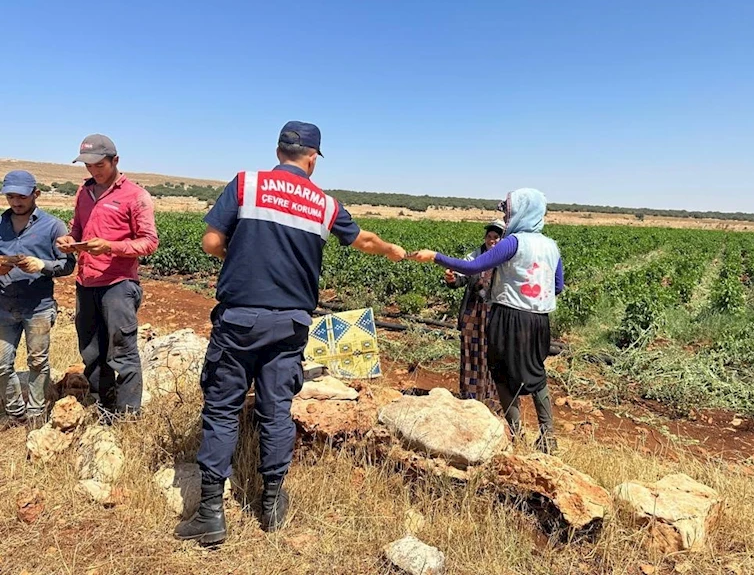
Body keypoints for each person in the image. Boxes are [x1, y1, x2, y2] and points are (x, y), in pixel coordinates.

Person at [174, 121, 407, 545]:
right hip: (291, 323)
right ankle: (272, 504)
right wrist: (392, 250)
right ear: (313, 158)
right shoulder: (324, 204)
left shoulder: (246, 184)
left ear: (279, 149)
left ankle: (210, 513)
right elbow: (364, 240)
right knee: (276, 409)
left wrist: (237, 255)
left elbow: (211, 242)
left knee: (223, 409)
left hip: (240, 319)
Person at [410, 188, 564, 454]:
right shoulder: (551, 246)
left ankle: (517, 437)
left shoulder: (513, 242)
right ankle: (548, 437)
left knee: (501, 372)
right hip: (540, 319)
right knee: (535, 372)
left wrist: (436, 256)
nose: (505, 215)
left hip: (510, 316)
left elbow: (472, 267)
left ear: (521, 211)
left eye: (508, 209)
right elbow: (558, 285)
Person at [55, 134, 159, 421]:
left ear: (115, 160)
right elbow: (77, 230)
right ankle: (105, 406)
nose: (93, 171)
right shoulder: (83, 192)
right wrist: (68, 239)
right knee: (91, 351)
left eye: (99, 165)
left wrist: (110, 246)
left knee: (122, 352)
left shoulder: (135, 195)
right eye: (88, 166)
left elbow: (149, 242)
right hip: (86, 282)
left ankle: (127, 417)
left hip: (118, 284)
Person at [0, 171, 75, 426]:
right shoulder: (0, 224)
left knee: (38, 362)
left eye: (21, 196)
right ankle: (15, 413)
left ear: (36, 194)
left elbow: (67, 265)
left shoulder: (53, 226)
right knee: (1, 365)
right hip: (4, 306)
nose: (16, 202)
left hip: (38, 307)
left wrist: (42, 265)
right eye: (10, 196)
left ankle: (35, 415)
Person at [445, 219, 505, 408]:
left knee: (492, 355)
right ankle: (470, 398)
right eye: (489, 237)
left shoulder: (506, 260)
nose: (492, 241)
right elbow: (460, 278)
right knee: (471, 353)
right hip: (473, 314)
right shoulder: (475, 256)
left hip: (495, 315)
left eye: (496, 237)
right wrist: (452, 279)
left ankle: (491, 400)